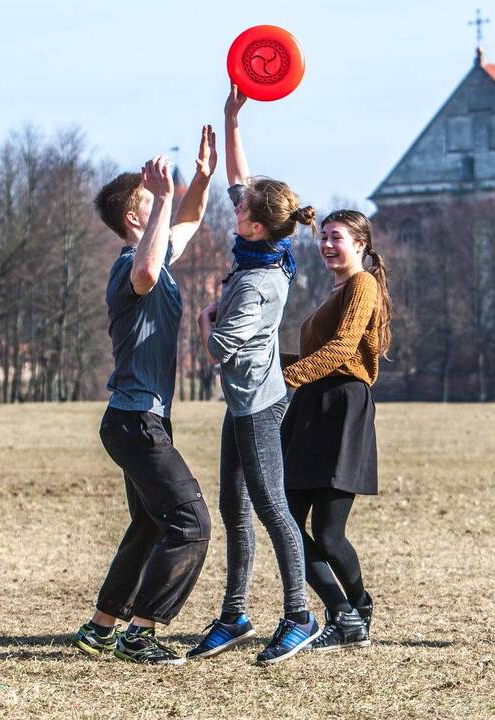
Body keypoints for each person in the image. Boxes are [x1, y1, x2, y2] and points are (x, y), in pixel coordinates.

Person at [72, 126, 216, 665]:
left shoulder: (155, 248)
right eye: (149, 203)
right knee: (191, 524)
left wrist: (200, 179)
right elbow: (148, 267)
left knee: (151, 523)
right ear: (135, 217)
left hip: (139, 421)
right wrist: (163, 199)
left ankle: (101, 627)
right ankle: (143, 631)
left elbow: (190, 222)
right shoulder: (126, 269)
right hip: (135, 422)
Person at [190, 85, 319, 666]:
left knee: (272, 508)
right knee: (233, 508)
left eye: (242, 210)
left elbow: (219, 348)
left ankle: (300, 615)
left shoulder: (259, 281)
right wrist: (231, 117)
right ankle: (235, 613)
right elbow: (238, 178)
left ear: (260, 226)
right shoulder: (258, 249)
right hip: (240, 404)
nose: (233, 207)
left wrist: (204, 316)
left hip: (260, 403)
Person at [279, 210, 391, 652]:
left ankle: (355, 610)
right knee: (284, 517)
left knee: (327, 532)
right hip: (314, 405)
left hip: (341, 407)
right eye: (322, 236)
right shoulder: (338, 290)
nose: (326, 244)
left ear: (360, 244)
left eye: (336, 237)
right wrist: (261, 363)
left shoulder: (363, 285)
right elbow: (321, 354)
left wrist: (290, 377)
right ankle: (345, 615)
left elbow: (344, 350)